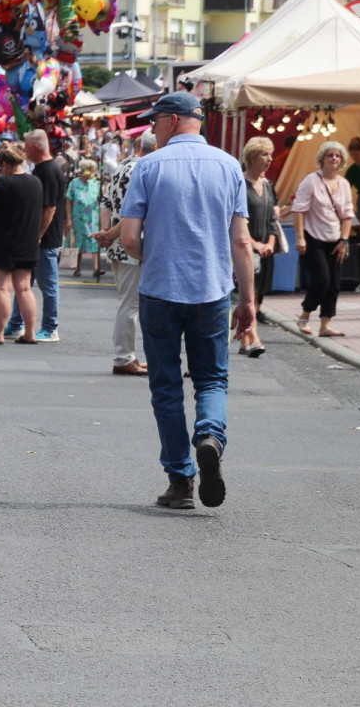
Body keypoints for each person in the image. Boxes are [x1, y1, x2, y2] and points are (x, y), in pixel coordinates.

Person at [120, 92, 255, 511]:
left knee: (165, 387)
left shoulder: (149, 167)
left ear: (175, 120)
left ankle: (181, 479)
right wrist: (247, 300)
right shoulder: (230, 167)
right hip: (212, 291)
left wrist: (156, 254)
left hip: (160, 290)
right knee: (212, 379)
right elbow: (241, 241)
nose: (151, 128)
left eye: (155, 121)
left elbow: (128, 238)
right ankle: (210, 435)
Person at [92, 129, 155, 376]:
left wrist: (107, 229)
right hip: (132, 242)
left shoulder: (121, 167)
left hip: (119, 244)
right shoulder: (142, 170)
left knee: (128, 302)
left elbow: (106, 202)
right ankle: (123, 357)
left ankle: (127, 355)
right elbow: (134, 212)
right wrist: (112, 233)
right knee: (130, 304)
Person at [4, 129, 66, 343]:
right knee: (24, 283)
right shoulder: (43, 169)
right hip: (39, 237)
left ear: (37, 147)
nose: (24, 150)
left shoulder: (47, 171)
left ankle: (50, 327)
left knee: (46, 285)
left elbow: (49, 208)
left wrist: (38, 234)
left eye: (27, 146)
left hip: (45, 239)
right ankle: (15, 324)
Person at [0, 144, 41, 345]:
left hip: (0, 242)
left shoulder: (3, 184)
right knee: (24, 289)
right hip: (27, 242)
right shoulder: (35, 183)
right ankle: (30, 332)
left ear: (5, 164)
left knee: (2, 289)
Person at [292, 141, 355, 338]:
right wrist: (300, 238)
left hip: (336, 238)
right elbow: (298, 210)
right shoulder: (311, 181)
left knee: (334, 283)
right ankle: (304, 315)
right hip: (314, 237)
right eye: (330, 155)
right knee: (322, 280)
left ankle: (325, 324)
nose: (334, 159)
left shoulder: (344, 184)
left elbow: (347, 214)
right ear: (322, 159)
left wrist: (344, 240)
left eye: (337, 156)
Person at [237, 137, 279, 357]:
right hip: (246, 247)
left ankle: (244, 339)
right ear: (251, 157)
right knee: (250, 294)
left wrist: (270, 243)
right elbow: (237, 221)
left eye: (270, 154)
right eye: (264, 154)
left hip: (266, 249)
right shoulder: (240, 184)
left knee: (258, 295)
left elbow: (273, 218)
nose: (269, 159)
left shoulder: (268, 186)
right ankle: (254, 338)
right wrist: (255, 244)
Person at [65, 159, 101, 277]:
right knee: (79, 242)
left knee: (94, 241)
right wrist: (69, 219)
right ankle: (77, 268)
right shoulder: (74, 183)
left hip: (93, 218)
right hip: (78, 218)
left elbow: (101, 200)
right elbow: (69, 202)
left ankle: (96, 268)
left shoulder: (96, 183)